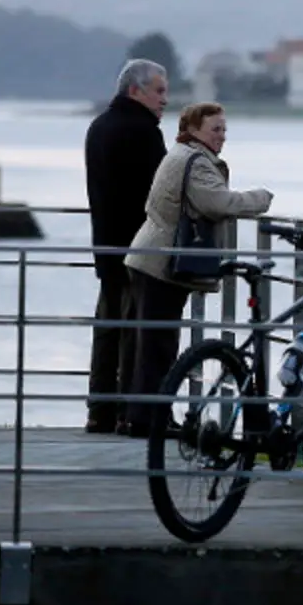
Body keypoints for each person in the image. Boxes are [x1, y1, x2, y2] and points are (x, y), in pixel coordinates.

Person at [121, 102, 274, 438]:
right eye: (214, 129)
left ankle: (136, 415)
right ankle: (148, 421)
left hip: (149, 257)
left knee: (147, 344)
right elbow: (218, 203)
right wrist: (261, 198)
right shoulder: (196, 160)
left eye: (224, 130)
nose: (221, 137)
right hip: (161, 261)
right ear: (193, 130)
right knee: (158, 346)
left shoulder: (182, 153)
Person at [83, 59, 170, 434]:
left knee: (108, 328)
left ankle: (99, 411)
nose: (165, 100)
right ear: (135, 91)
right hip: (138, 247)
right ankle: (129, 414)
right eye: (159, 91)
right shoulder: (143, 132)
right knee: (136, 333)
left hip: (105, 243)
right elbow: (161, 192)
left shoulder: (98, 127)